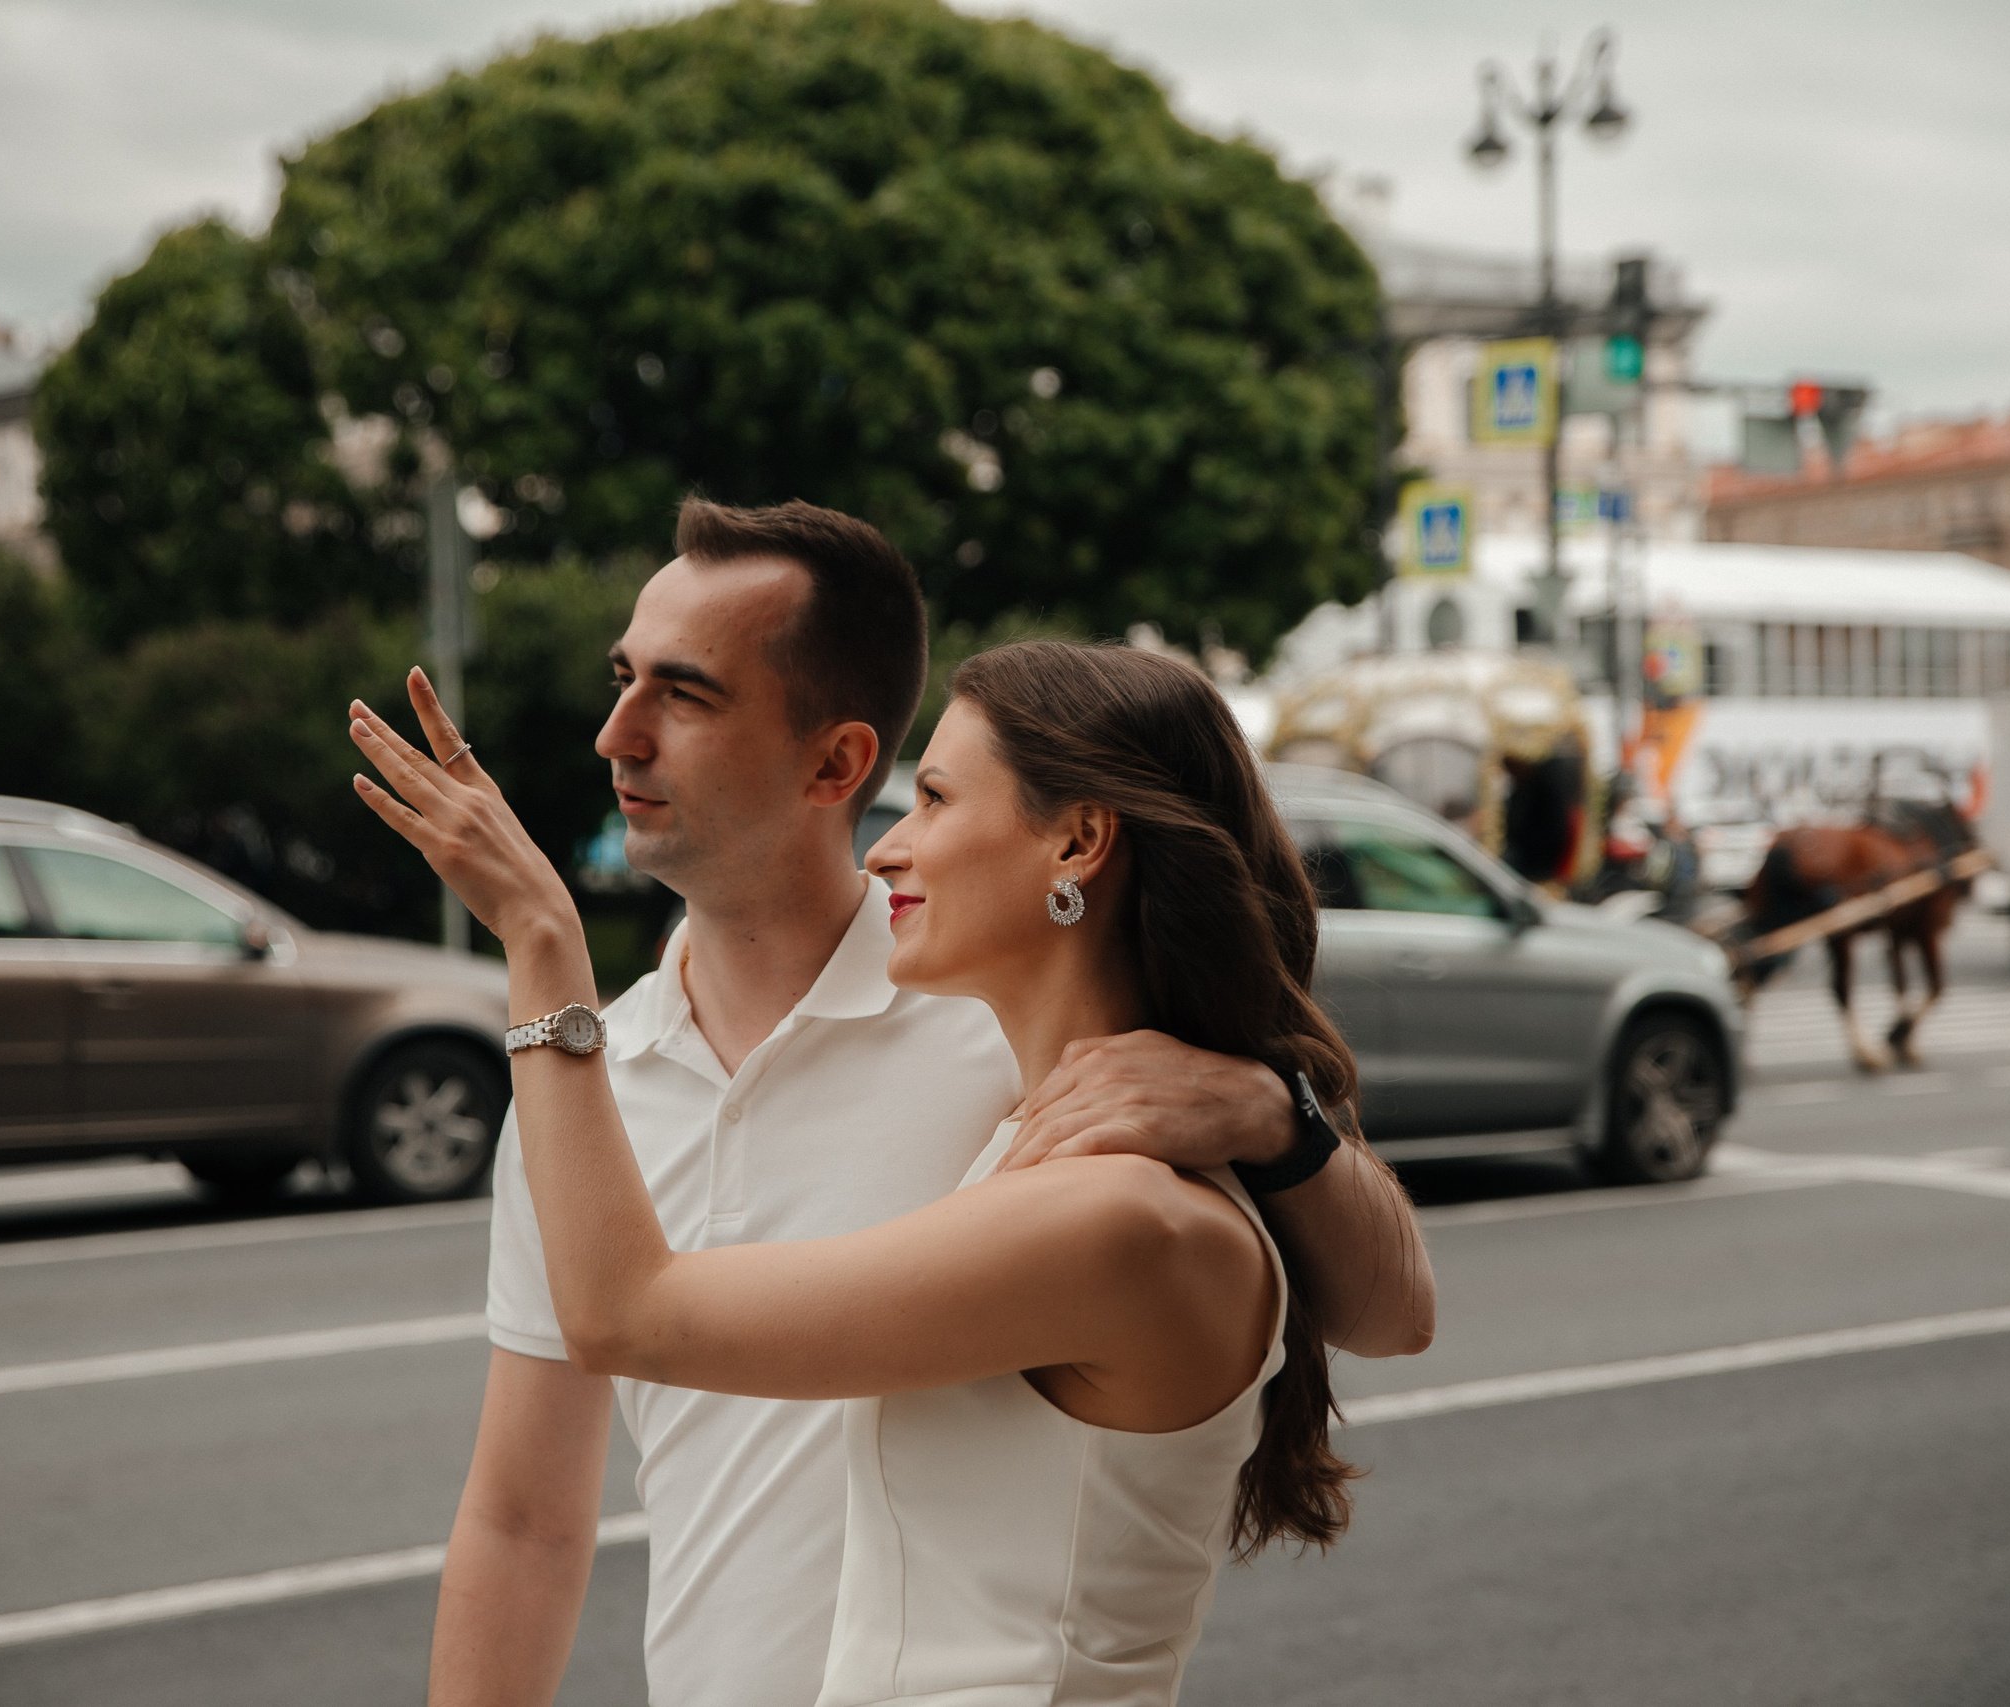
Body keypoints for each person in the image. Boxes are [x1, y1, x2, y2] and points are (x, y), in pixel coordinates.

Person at [368, 500, 1434, 1706]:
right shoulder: (578, 1092)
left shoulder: (1025, 1047)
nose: (617, 735)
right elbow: (522, 1520)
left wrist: (1277, 1117)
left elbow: (1391, 1311)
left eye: (685, 693)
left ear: (837, 762)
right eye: (623, 680)